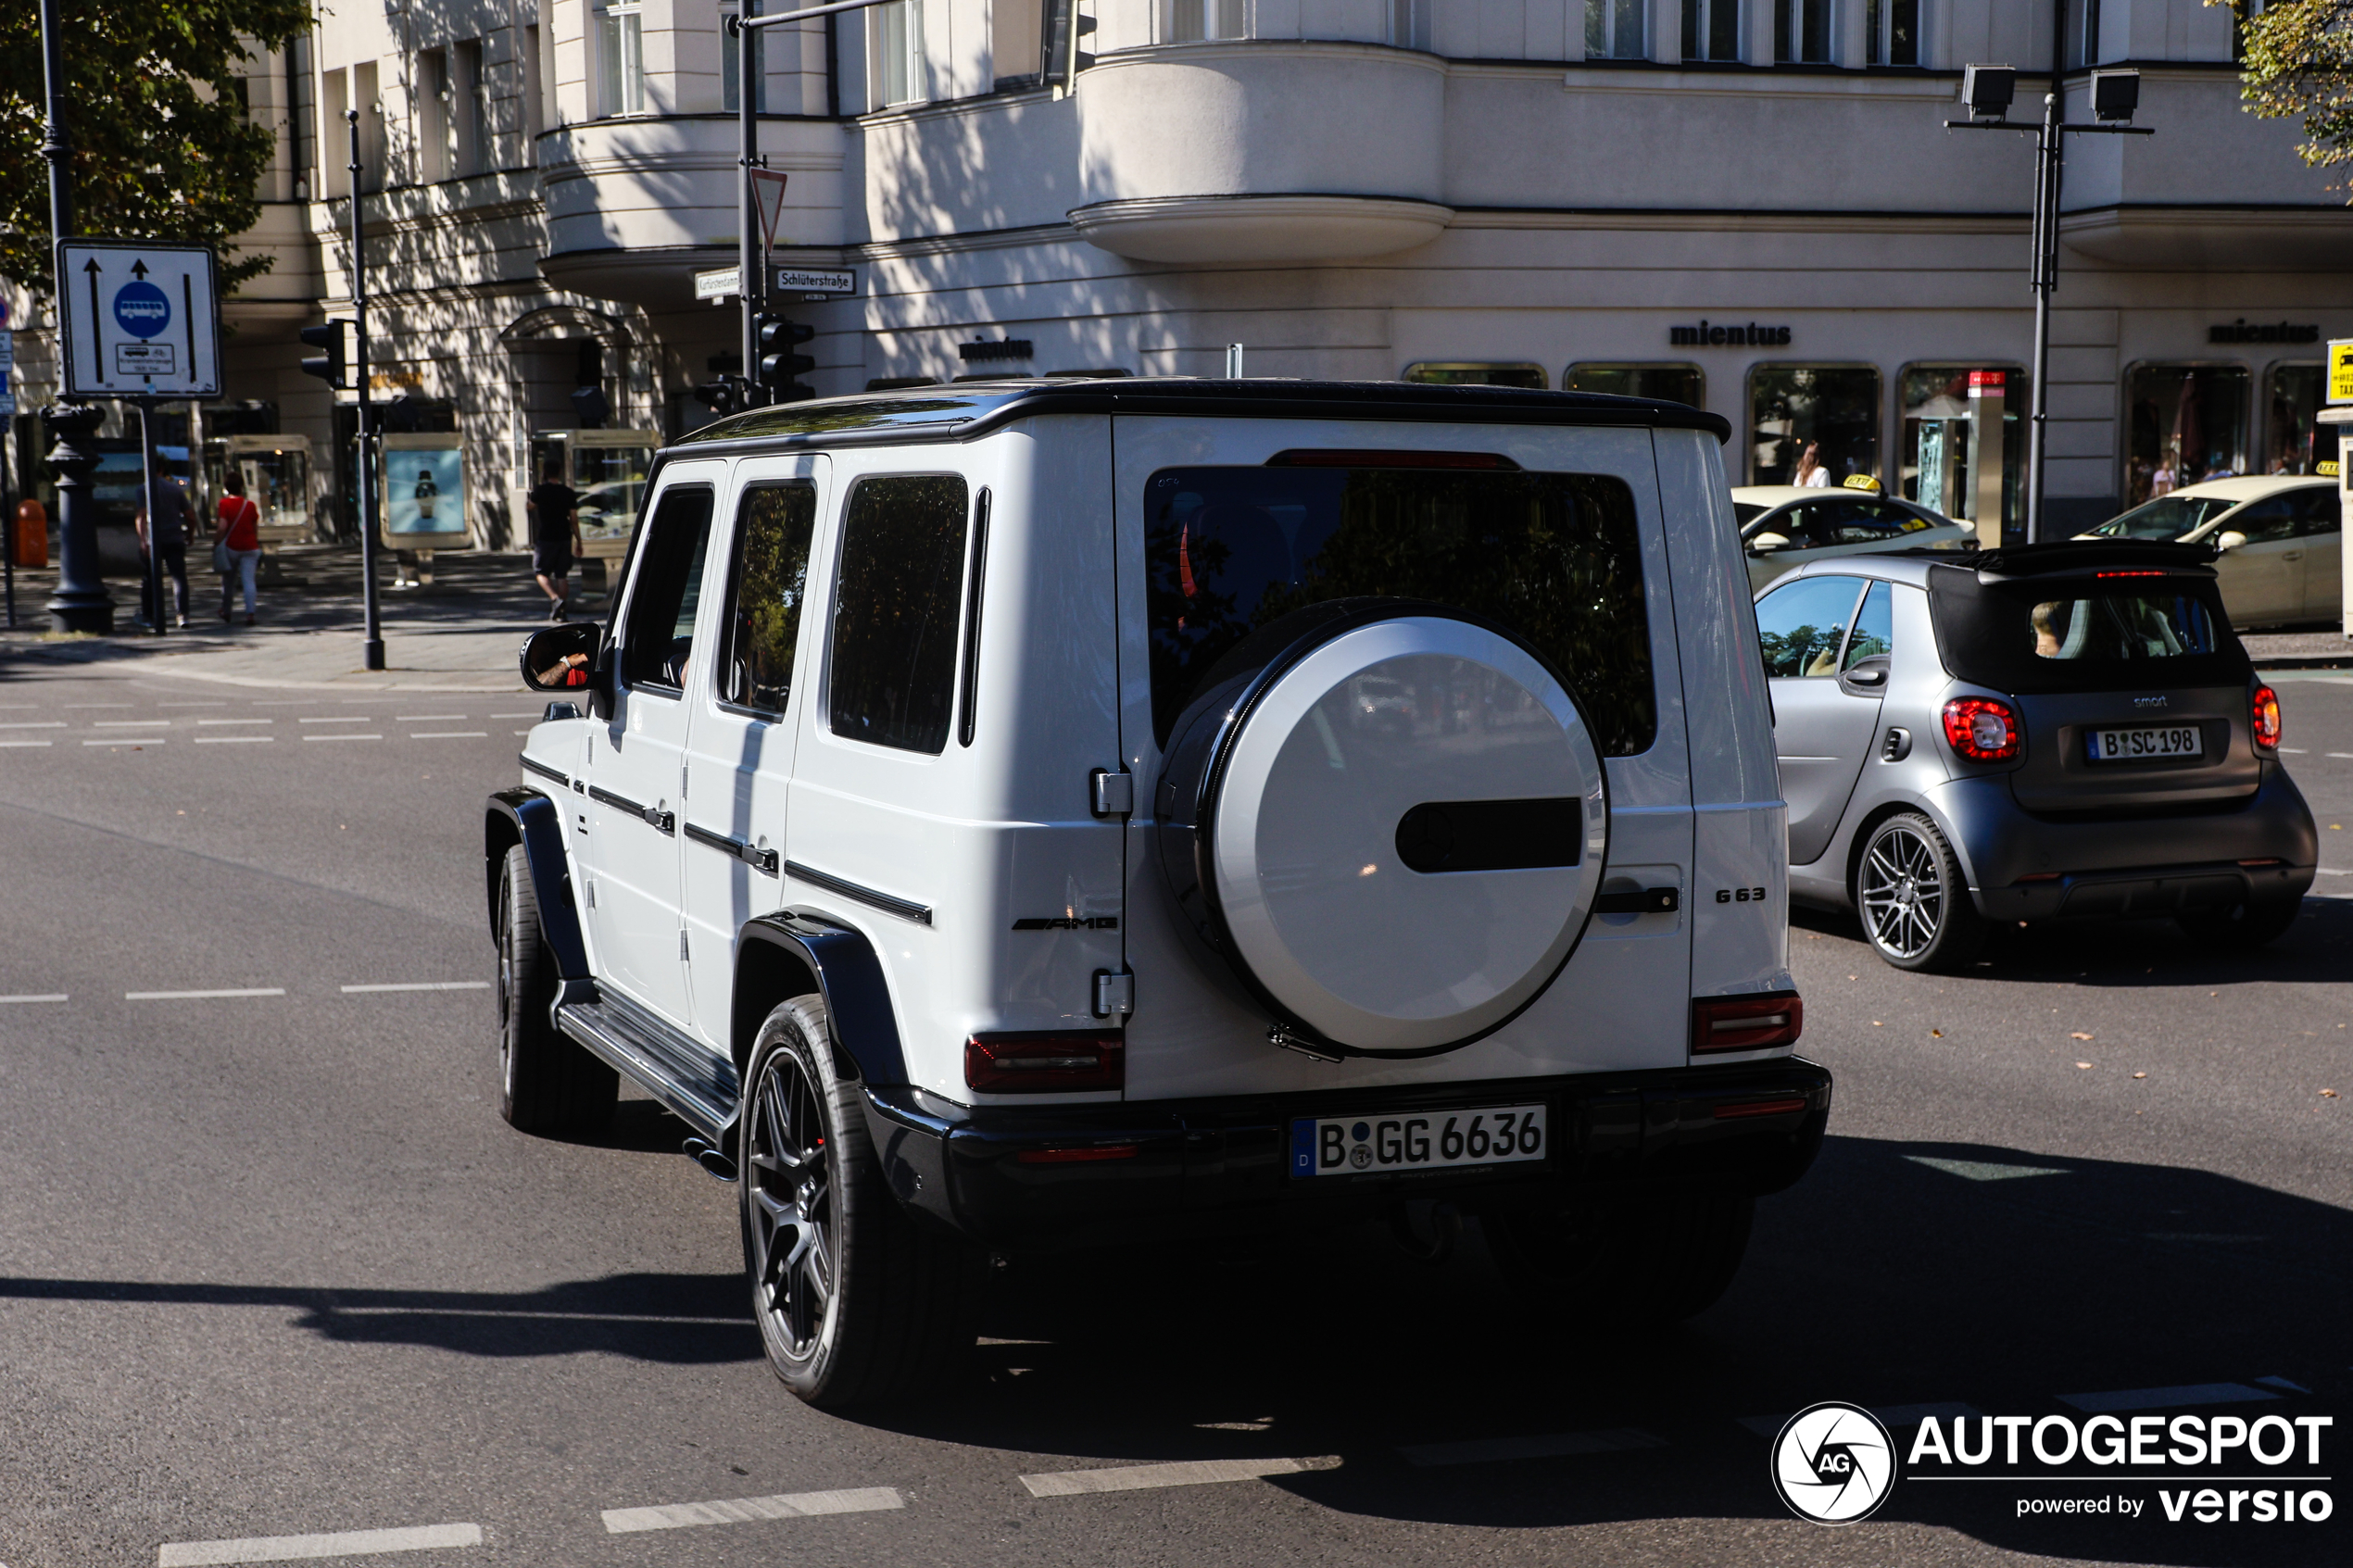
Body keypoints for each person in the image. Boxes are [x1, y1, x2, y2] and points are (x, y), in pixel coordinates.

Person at [132, 473, 195, 629]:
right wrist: (190, 534)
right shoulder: (175, 489)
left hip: (154, 540)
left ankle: (148, 615)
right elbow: (189, 515)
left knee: (150, 577)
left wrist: (143, 541)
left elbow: (141, 515)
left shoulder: (143, 489)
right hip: (174, 538)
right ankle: (182, 615)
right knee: (179, 577)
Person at [525, 461, 582, 622]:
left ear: (544, 473)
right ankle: (561, 612)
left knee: (541, 572)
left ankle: (555, 598)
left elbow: (530, 506)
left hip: (546, 537)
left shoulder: (540, 491)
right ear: (560, 472)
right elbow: (574, 519)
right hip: (564, 536)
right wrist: (579, 541)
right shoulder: (568, 492)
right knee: (562, 575)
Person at [214, 470, 263, 626]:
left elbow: (222, 526)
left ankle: (226, 610)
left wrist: (216, 542)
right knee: (249, 581)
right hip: (250, 547)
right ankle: (250, 613)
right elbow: (255, 527)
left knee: (228, 582)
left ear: (226, 487)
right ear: (242, 486)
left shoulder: (224, 503)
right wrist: (255, 540)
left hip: (232, 548)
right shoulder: (250, 505)